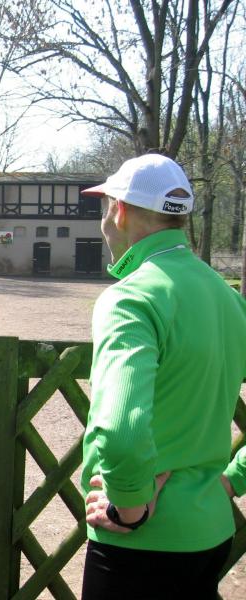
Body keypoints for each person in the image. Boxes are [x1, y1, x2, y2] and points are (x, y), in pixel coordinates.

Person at [79, 154, 246, 599]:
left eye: (105, 208)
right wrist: (233, 478)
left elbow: (121, 429)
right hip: (210, 531)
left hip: (141, 544)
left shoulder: (130, 298)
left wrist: (129, 507)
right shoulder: (227, 298)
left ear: (120, 211)